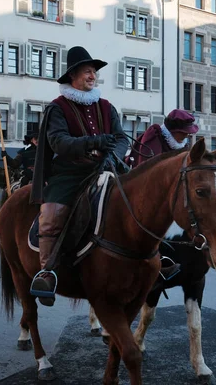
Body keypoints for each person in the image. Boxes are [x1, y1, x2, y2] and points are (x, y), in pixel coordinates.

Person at [29, 46, 129, 307]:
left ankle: (158, 257)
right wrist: (93, 142)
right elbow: (58, 142)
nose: (92, 75)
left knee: (142, 198)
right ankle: (46, 271)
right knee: (52, 213)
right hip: (70, 172)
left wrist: (112, 155)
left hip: (107, 167)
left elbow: (120, 138)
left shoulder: (107, 107)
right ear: (73, 74)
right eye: (87, 71)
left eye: (94, 71)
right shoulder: (58, 108)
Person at [129, 109, 198, 168]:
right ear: (173, 131)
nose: (186, 136)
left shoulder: (183, 147)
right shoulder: (152, 141)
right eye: (183, 133)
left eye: (188, 133)